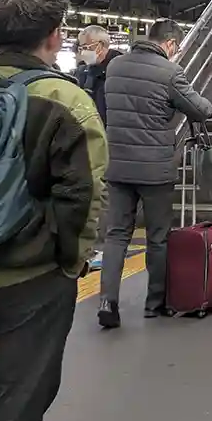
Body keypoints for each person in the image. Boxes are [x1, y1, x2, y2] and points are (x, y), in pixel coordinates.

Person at [0, 0, 106, 421]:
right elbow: (81, 194)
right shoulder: (66, 101)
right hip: (28, 278)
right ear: (55, 35)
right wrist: (71, 261)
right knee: (15, 402)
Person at [99, 19, 211, 328]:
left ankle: (108, 301)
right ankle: (155, 303)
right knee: (158, 238)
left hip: (119, 165)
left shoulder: (116, 66)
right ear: (172, 44)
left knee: (116, 235)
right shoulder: (170, 72)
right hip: (155, 169)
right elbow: (200, 109)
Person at [75, 24, 122, 271]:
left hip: (111, 141)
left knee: (102, 195)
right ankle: (88, 246)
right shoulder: (83, 73)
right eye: (81, 47)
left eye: (87, 47)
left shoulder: (119, 71)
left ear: (102, 47)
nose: (83, 52)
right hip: (83, 141)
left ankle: (100, 248)